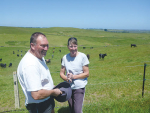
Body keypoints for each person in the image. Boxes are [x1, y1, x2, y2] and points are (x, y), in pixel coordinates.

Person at [17, 32, 62, 113]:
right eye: (43, 45)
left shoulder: (39, 56)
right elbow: (36, 94)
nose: (46, 48)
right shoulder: (30, 65)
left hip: (46, 100)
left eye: (47, 45)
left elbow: (42, 80)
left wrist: (52, 87)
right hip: (39, 106)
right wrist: (53, 92)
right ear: (32, 46)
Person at [60, 37, 90, 113]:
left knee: (77, 111)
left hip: (79, 87)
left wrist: (74, 77)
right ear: (67, 46)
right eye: (71, 46)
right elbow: (61, 73)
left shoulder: (82, 56)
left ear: (77, 46)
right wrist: (67, 79)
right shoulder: (65, 58)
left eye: (75, 46)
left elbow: (87, 73)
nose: (73, 48)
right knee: (72, 109)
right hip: (69, 88)